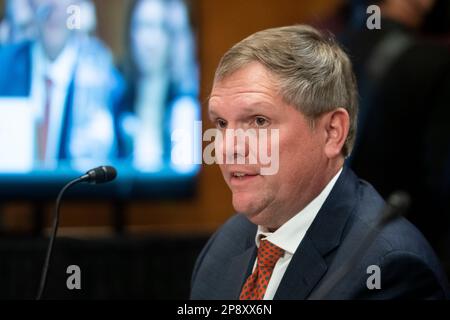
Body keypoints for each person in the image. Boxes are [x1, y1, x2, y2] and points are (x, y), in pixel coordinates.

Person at [190, 25, 450, 300]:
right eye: (220, 123)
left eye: (259, 121)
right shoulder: (224, 244)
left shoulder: (389, 269)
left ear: (332, 132)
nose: (228, 148)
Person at [340, 0, 450, 262]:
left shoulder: (324, 49)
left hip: (326, 248)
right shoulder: (433, 61)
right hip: (406, 250)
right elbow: (441, 183)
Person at [0, 0, 121, 170]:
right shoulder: (4, 67)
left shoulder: (104, 78)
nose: (54, 5)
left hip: (78, 195)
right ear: (30, 4)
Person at [116, 0, 200, 173]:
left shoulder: (185, 110)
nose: (150, 40)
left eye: (161, 27)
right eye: (142, 26)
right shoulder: (115, 103)